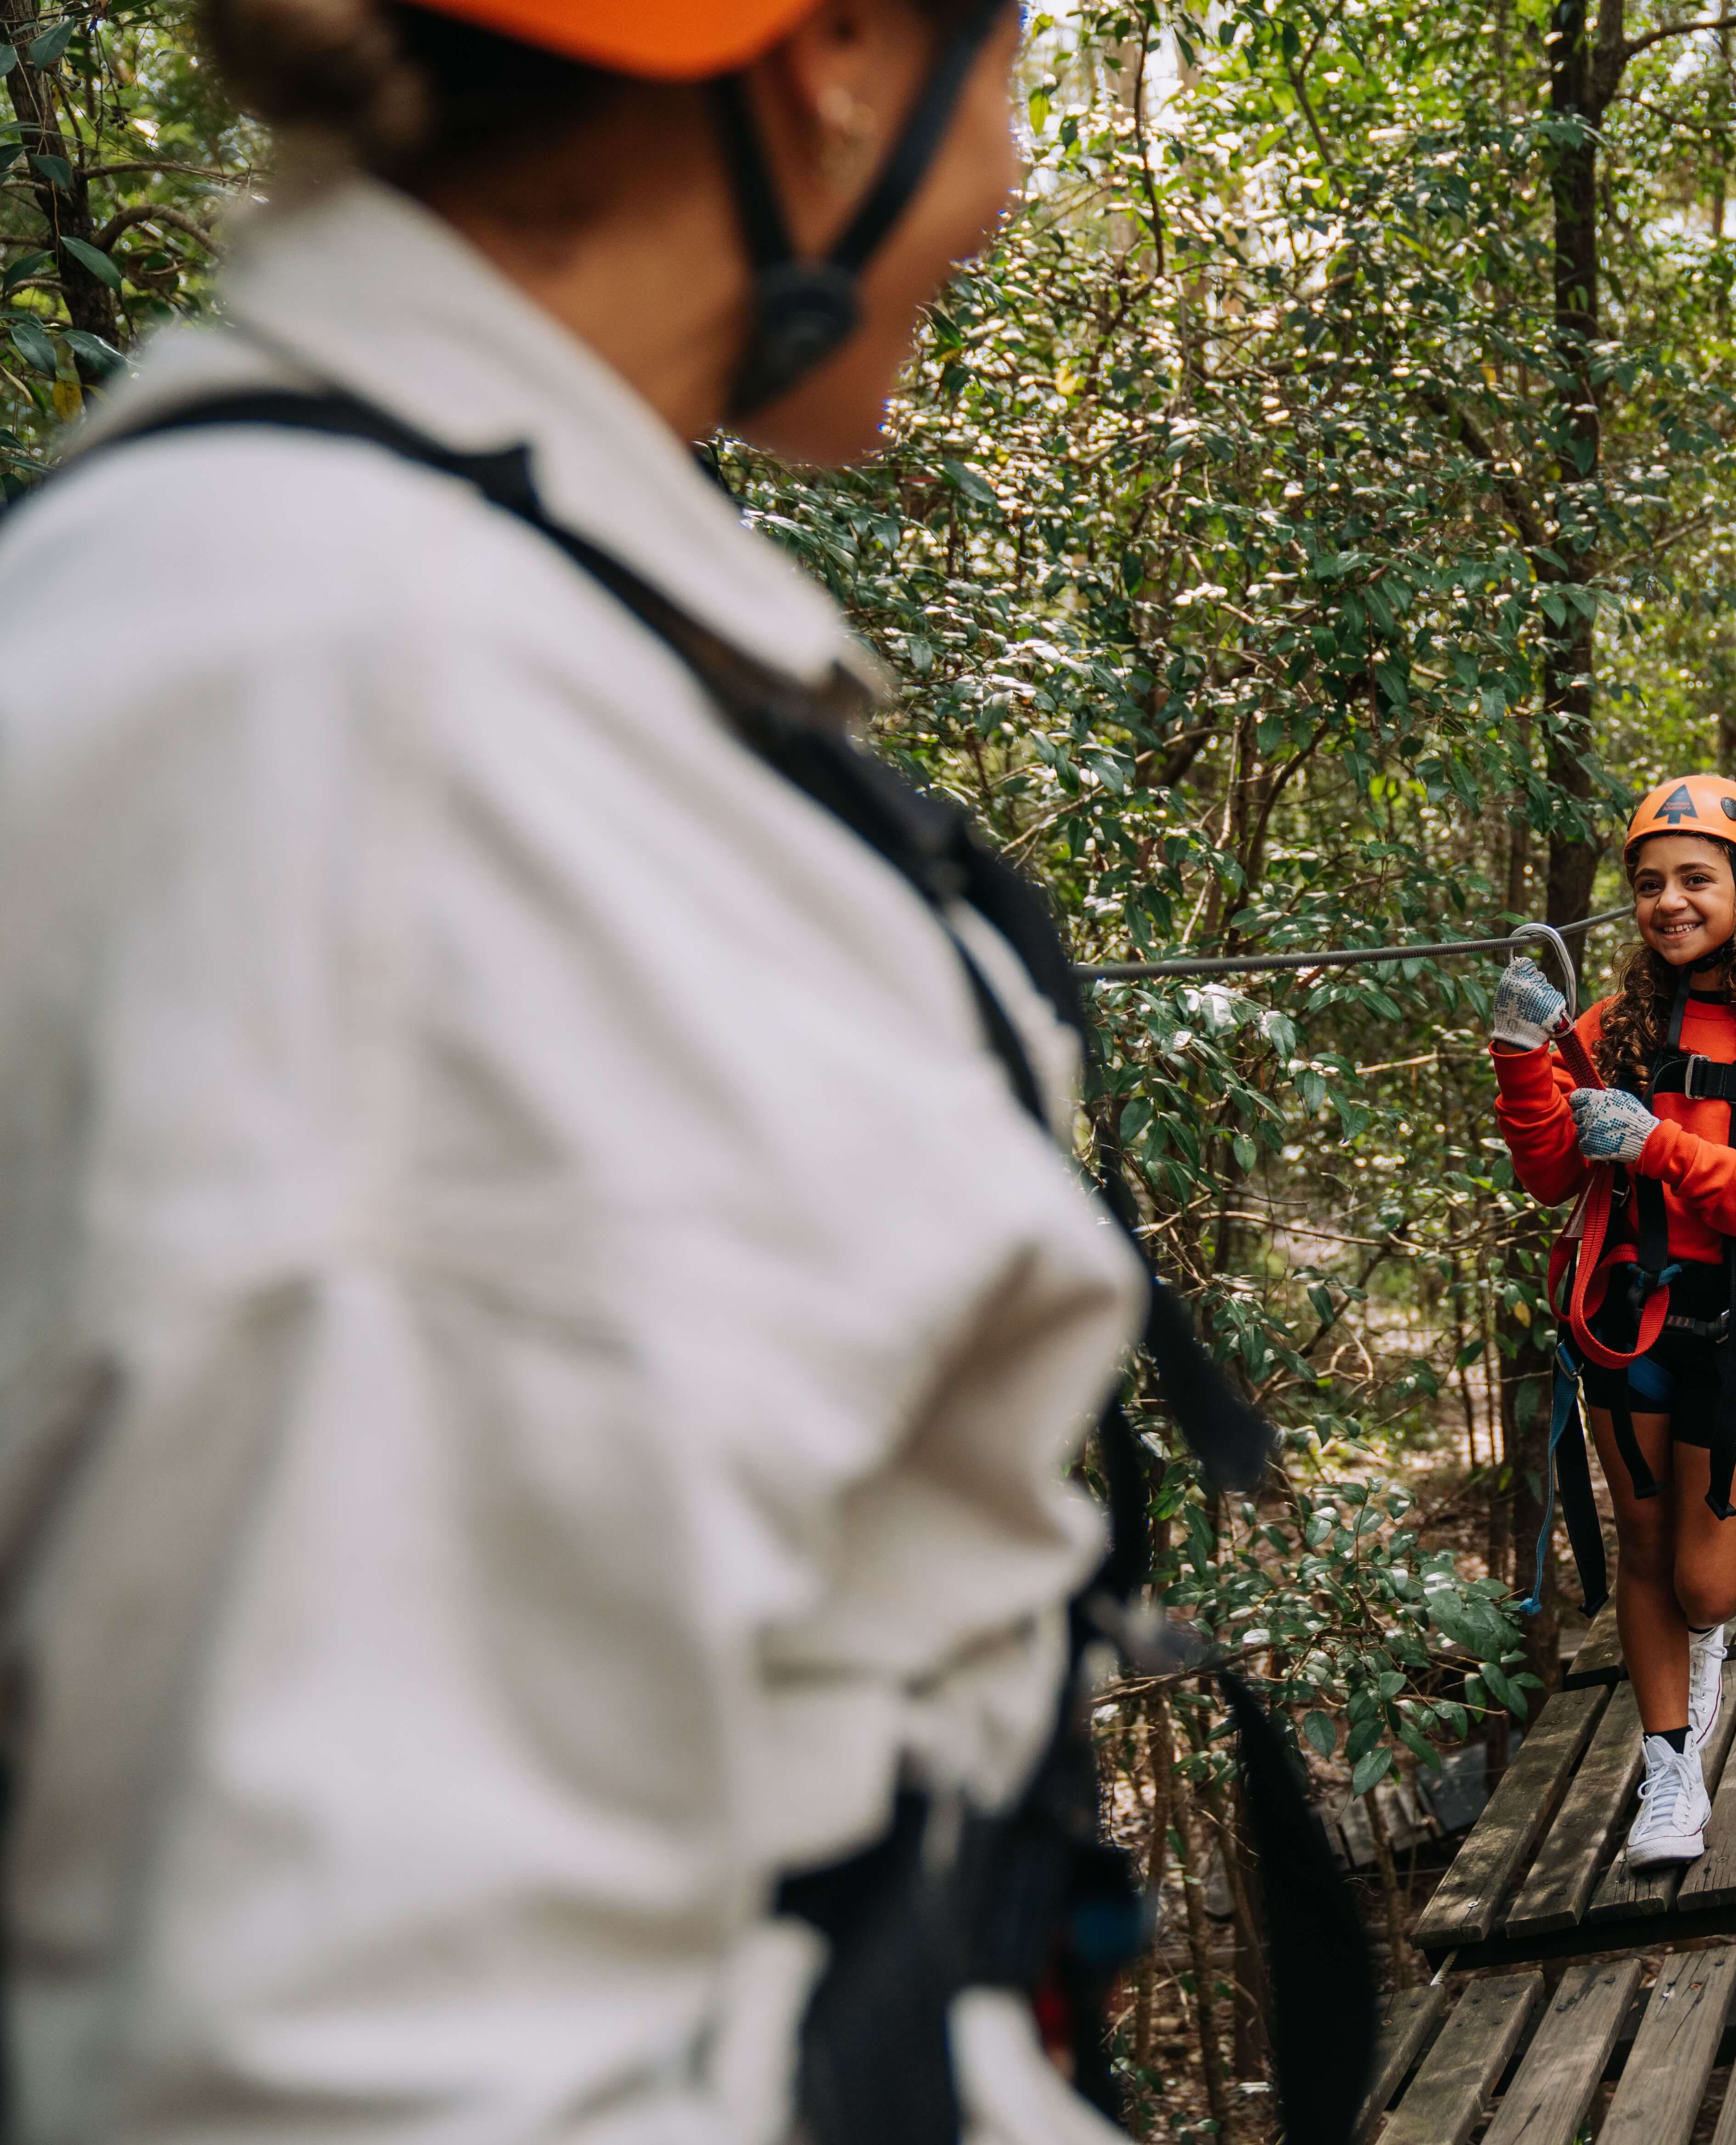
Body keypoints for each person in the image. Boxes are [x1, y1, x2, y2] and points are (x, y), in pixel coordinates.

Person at [0, 3, 1163, 2138]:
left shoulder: (329, 588)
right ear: (832, 53)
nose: (1011, 175)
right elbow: (362, 2068)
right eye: (1013, 56)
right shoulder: (416, 745)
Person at [1489, 776, 1736, 1869]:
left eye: (1696, 879)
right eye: (1649, 884)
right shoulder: (1611, 1029)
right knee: (1646, 1549)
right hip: (1620, 1320)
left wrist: (1658, 1145)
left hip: (1730, 1329)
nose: (1669, 901)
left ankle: (1712, 1629)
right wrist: (1520, 1056)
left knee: (1710, 1586)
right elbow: (1551, 1173)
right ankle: (1669, 1772)